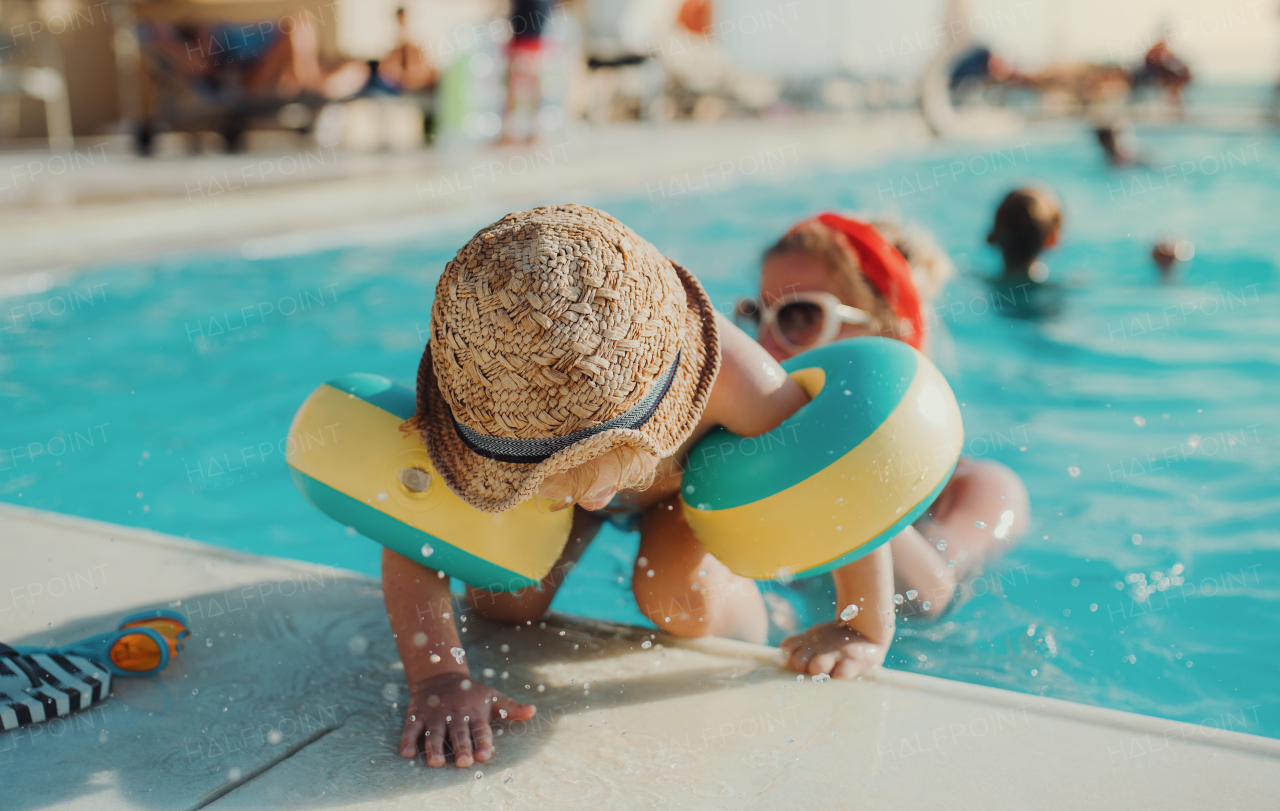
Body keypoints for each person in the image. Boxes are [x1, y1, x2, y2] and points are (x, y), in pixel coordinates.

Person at [385, 204, 813, 768]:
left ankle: (766, 613)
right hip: (552, 486)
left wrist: (862, 623)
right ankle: (558, 500)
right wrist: (437, 677)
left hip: (684, 490)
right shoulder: (487, 398)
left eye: (603, 480)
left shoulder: (740, 380)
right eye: (574, 484)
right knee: (503, 602)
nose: (598, 501)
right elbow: (414, 539)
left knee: (681, 601)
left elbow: (830, 477)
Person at [749, 214, 1029, 641]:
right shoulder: (755, 468)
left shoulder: (979, 490)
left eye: (799, 318)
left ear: (889, 337)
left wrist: (826, 454)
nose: (764, 346)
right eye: (757, 316)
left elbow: (929, 597)